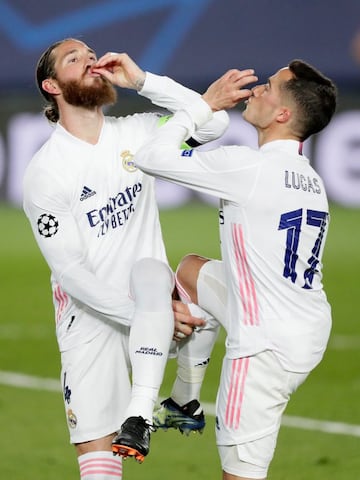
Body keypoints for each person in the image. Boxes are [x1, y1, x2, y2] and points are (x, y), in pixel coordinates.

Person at [22, 37, 237, 480]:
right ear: (52, 86)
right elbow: (71, 272)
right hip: (93, 322)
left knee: (197, 278)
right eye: (72, 59)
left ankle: (182, 401)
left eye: (90, 54)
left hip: (155, 304)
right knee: (101, 468)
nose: (89, 61)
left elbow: (213, 125)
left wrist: (142, 80)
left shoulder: (138, 133)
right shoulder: (46, 170)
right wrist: (144, 315)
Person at [134, 61, 337, 479]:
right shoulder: (310, 177)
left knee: (239, 476)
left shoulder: (249, 167)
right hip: (303, 323)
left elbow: (150, 156)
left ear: (283, 115)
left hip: (263, 347)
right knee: (191, 271)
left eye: (269, 88)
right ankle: (184, 402)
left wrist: (203, 106)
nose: (258, 90)